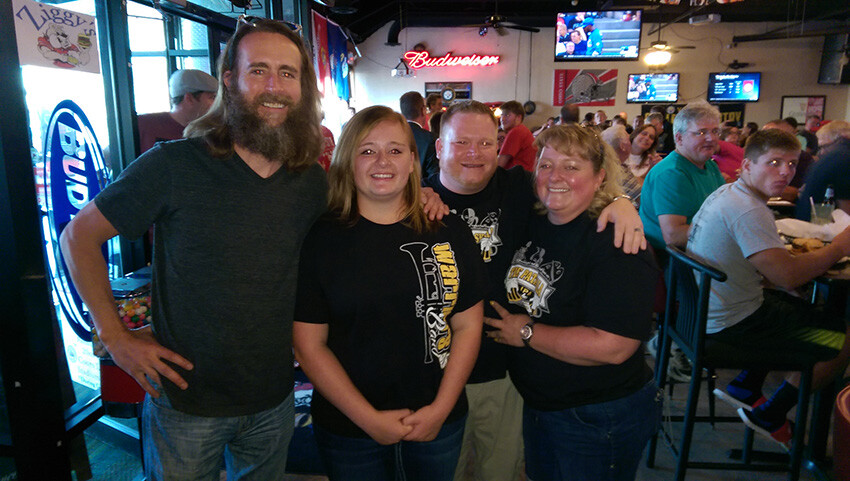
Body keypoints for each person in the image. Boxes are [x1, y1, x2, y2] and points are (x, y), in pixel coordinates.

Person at [59, 17, 328, 480]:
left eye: (288, 73)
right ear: (230, 79)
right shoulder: (173, 165)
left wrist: (424, 193)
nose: (274, 85)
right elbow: (77, 238)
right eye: (258, 69)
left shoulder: (310, 181)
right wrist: (116, 338)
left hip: (275, 397)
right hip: (186, 402)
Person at [424, 100, 645, 481]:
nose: (474, 154)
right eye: (461, 143)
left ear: (500, 146)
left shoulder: (520, 191)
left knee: (502, 472)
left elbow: (574, 184)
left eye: (485, 142)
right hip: (432, 374)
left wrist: (621, 201)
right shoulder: (411, 201)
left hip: (506, 374)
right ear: (440, 148)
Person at [292, 105, 486, 481]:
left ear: (414, 161)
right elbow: (308, 345)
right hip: (350, 428)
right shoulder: (321, 240)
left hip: (438, 420)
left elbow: (468, 327)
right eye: (367, 151)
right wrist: (369, 420)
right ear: (348, 161)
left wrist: (440, 409)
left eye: (396, 150)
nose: (382, 161)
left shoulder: (449, 230)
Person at [485, 125, 661, 481]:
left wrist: (527, 332)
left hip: (598, 414)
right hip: (543, 404)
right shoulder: (536, 219)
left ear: (599, 177)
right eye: (546, 165)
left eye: (572, 166)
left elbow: (614, 346)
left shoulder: (618, 244)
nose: (555, 177)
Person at [688, 129, 850, 448]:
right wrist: (838, 248)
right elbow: (788, 276)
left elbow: (776, 276)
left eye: (791, 164)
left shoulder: (729, 194)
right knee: (842, 339)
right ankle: (772, 414)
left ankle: (747, 386)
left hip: (714, 311)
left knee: (802, 307)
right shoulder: (749, 209)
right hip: (731, 324)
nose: (785, 171)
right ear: (747, 165)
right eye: (773, 162)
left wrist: (787, 283)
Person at [639, 101, 724, 259]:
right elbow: (674, 236)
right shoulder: (672, 173)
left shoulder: (710, 166)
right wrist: (728, 230)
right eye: (701, 132)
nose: (711, 138)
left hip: (704, 251)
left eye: (715, 131)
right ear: (679, 138)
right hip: (674, 263)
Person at [136, 69, 218, 153]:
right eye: (213, 97)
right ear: (189, 99)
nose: (217, 104)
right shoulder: (143, 124)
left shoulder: (213, 131)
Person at [795, 120, 850, 221]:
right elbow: (846, 213)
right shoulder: (843, 157)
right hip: (822, 227)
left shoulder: (839, 155)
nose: (821, 153)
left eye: (824, 147)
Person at [400, 91, 439, 178]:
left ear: (402, 113)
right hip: (422, 189)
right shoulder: (430, 139)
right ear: (423, 110)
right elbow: (434, 175)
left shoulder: (393, 135)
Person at [602, 124, 642, 207]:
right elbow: (643, 200)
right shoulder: (620, 171)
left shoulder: (606, 165)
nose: (631, 143)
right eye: (628, 139)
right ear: (622, 146)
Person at [498, 100, 537, 171]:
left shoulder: (516, 131)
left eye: (507, 115)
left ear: (518, 117)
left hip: (518, 178)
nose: (502, 119)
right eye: (501, 115)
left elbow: (500, 164)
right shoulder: (523, 130)